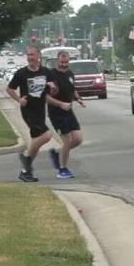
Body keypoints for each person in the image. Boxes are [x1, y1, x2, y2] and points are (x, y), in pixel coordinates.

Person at [6, 46, 56, 182]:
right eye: (28, 55)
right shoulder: (21, 73)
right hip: (28, 111)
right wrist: (19, 100)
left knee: (35, 143)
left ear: (39, 56)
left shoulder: (46, 72)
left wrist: (52, 88)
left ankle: (25, 172)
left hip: (40, 110)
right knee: (47, 135)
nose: (30, 58)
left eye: (32, 55)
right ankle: (26, 158)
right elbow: (9, 89)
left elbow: (52, 90)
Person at [46, 51, 85, 179]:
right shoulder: (50, 75)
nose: (64, 64)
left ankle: (58, 153)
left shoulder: (69, 74)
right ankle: (62, 169)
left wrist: (78, 98)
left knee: (78, 139)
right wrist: (60, 104)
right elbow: (45, 97)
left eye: (66, 62)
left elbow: (72, 89)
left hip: (69, 111)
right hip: (56, 113)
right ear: (57, 61)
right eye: (62, 62)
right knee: (67, 140)